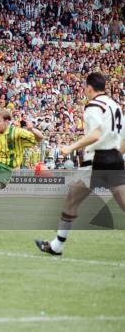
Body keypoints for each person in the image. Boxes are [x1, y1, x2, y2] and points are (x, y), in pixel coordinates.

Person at [36, 73, 125, 255]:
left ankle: (56, 246)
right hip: (115, 158)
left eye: (85, 87)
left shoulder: (94, 105)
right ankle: (55, 245)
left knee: (71, 199)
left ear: (90, 88)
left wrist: (70, 147)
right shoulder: (115, 106)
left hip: (96, 160)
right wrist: (116, 155)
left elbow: (95, 134)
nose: (84, 90)